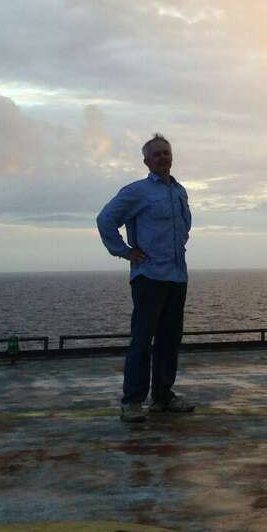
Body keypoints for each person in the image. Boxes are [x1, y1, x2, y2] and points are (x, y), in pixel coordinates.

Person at [97, 133, 195, 422]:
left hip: (177, 276)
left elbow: (184, 228)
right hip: (149, 277)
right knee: (142, 340)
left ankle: (163, 397)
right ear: (146, 161)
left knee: (169, 339)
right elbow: (105, 219)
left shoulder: (179, 191)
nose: (163, 157)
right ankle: (132, 401)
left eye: (166, 152)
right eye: (157, 154)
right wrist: (123, 251)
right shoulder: (136, 192)